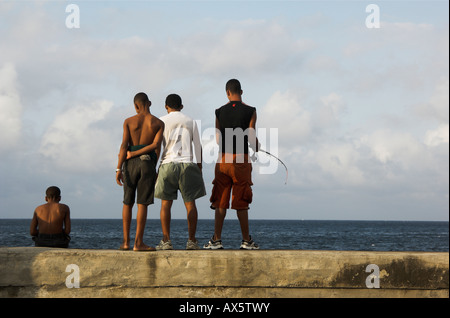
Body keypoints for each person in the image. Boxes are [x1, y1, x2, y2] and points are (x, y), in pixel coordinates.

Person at [128, 94, 206, 250]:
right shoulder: (190, 121)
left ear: (166, 106)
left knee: (165, 205)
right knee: (190, 204)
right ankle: (191, 241)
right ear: (181, 106)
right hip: (187, 163)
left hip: (167, 163)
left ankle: (166, 240)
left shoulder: (161, 121)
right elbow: (198, 146)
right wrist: (199, 167)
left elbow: (157, 147)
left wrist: (156, 167)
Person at [204, 79, 260, 250]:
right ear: (241, 92)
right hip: (241, 160)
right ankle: (246, 241)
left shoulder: (219, 112)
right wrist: (256, 146)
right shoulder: (251, 111)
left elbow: (218, 139)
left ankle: (216, 240)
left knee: (221, 201)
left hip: (223, 160)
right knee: (241, 201)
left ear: (227, 93)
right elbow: (251, 137)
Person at [116, 92, 164, 251]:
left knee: (127, 202)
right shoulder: (158, 123)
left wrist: (118, 168)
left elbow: (124, 146)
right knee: (142, 204)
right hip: (147, 163)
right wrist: (154, 168)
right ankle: (138, 243)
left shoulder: (128, 121)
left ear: (136, 106)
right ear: (149, 103)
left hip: (129, 163)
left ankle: (125, 242)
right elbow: (157, 147)